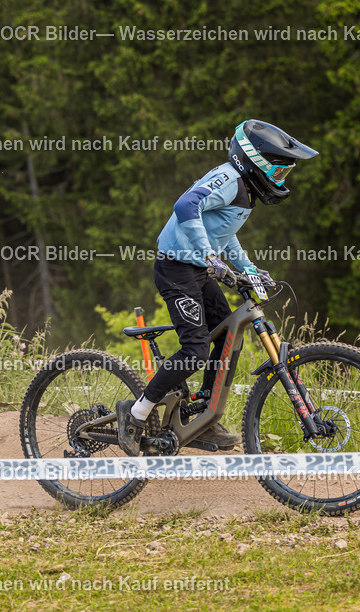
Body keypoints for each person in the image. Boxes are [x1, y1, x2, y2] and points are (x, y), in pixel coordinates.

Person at [116, 119, 319, 456]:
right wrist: (210, 255)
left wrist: (249, 269)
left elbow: (223, 231)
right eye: (278, 173)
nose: (280, 181)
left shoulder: (246, 191)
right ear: (256, 161)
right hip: (176, 269)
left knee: (226, 334)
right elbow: (185, 206)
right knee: (195, 349)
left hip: (197, 269)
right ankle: (135, 413)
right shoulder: (228, 177)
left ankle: (201, 418)